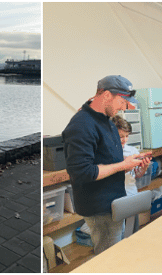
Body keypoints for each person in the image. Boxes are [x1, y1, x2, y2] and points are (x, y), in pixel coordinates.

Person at [63, 75, 151, 255]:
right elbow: (82, 171)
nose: (123, 107)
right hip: (99, 208)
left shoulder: (107, 122)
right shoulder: (81, 125)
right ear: (106, 95)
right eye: (122, 100)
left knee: (117, 252)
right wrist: (122, 165)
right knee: (107, 257)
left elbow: (111, 161)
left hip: (114, 201)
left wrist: (132, 164)